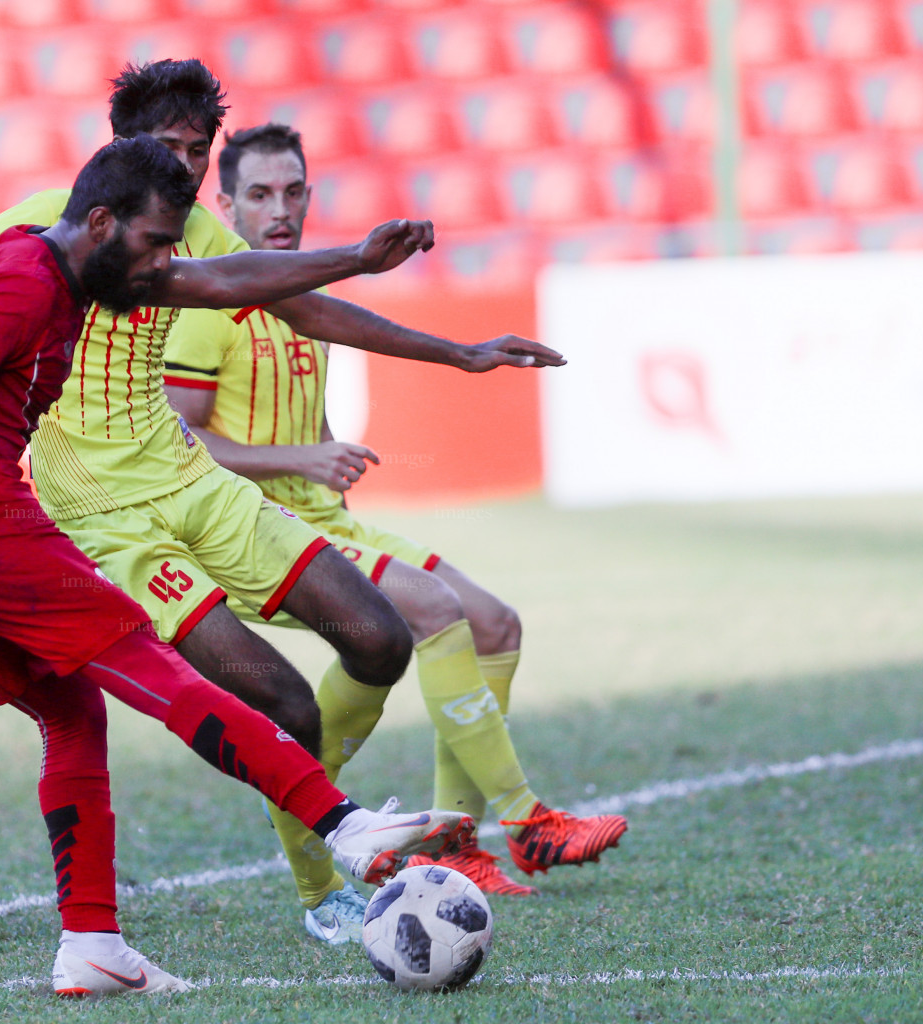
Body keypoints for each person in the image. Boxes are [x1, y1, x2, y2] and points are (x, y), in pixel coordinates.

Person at [0, 59, 559, 945]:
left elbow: (290, 304)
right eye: (165, 150)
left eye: (196, 153)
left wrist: (451, 348)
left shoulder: (183, 232)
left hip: (193, 483)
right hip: (102, 518)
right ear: (115, 162)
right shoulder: (48, 231)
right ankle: (327, 880)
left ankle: (336, 819)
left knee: (378, 636)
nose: (183, 171)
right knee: (277, 700)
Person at [165, 124, 627, 936]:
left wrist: (466, 355)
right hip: (253, 531)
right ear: (223, 202)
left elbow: (333, 349)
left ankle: (455, 844)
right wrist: (300, 457)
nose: (281, 209)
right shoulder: (209, 306)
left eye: (294, 191)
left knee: (491, 622)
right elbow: (180, 440)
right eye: (260, 195)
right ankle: (523, 819)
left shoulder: (288, 299)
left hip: (322, 520)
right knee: (430, 614)